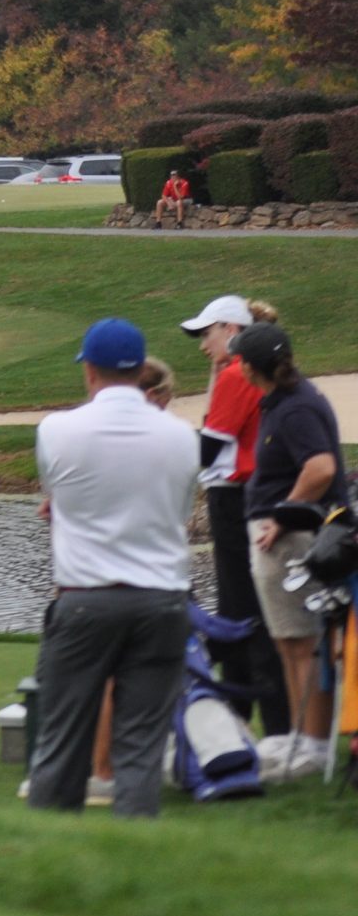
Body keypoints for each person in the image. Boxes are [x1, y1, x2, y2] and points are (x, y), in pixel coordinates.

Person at [27, 318, 199, 817]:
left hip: (85, 601)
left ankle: (44, 859)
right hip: (162, 601)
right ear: (142, 370)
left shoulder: (56, 429)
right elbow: (178, 511)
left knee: (61, 741)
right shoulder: (183, 437)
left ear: (90, 372)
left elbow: (57, 496)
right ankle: (133, 855)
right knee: (140, 748)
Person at [235, 322, 350, 780]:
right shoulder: (285, 401)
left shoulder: (296, 407)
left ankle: (316, 747)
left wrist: (283, 515)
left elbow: (320, 468)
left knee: (305, 643)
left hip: (294, 539)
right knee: (288, 641)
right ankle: (302, 736)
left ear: (250, 366)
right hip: (281, 538)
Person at [186, 295, 292, 739]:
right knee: (243, 608)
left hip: (234, 499)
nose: (201, 345)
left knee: (240, 611)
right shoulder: (239, 372)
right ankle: (248, 716)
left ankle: (247, 718)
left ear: (231, 331)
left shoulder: (235, 375)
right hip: (250, 495)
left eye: (207, 334)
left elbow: (208, 449)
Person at [86, 356, 181, 800]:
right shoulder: (170, 440)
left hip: (102, 576)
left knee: (120, 676)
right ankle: (109, 772)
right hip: (138, 578)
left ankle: (113, 771)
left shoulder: (83, 434)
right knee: (119, 677)